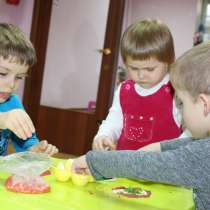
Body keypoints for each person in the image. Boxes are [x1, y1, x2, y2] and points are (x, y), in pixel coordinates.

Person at [72, 42, 210, 209]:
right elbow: (188, 145)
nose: (181, 109)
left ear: (204, 104)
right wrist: (159, 147)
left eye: (182, 103)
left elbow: (150, 165)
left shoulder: (203, 155)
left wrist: (93, 161)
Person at [93, 19, 186, 151]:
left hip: (160, 168)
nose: (141, 75)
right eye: (134, 68)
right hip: (123, 164)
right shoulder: (124, 90)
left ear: (168, 61)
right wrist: (103, 135)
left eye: (149, 69)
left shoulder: (176, 91)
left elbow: (189, 134)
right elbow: (114, 121)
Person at [0, 23, 58, 156]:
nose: (11, 85)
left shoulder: (12, 102)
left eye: (19, 77)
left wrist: (34, 150)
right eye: (2, 74)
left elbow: (26, 141)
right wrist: (2, 119)